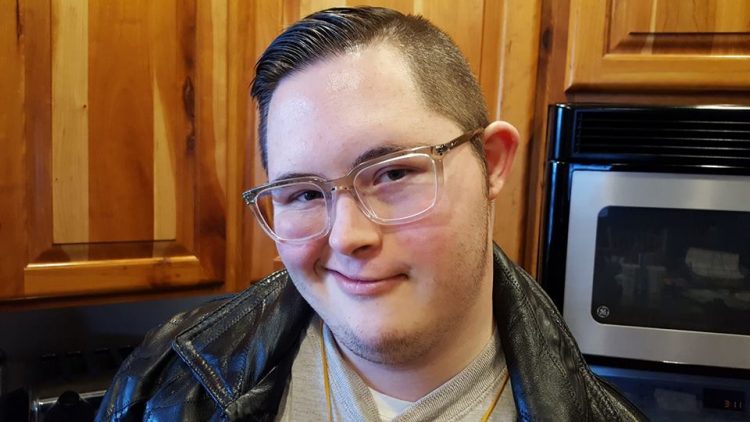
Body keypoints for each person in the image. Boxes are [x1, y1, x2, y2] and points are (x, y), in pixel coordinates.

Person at [97, 7, 646, 421]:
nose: (347, 237)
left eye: (393, 174)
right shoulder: (168, 380)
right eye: (304, 194)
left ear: (493, 164)